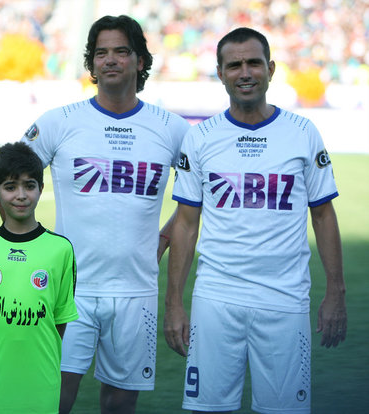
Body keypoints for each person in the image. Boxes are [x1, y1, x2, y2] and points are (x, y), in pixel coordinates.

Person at [163, 27, 347, 414]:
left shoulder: (302, 132)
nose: (244, 72)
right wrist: (175, 304)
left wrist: (336, 293)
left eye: (253, 63)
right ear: (220, 73)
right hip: (216, 298)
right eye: (234, 65)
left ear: (271, 69)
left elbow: (323, 214)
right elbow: (185, 224)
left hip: (285, 299)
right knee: (207, 408)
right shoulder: (201, 138)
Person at [21, 15, 190, 414]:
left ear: (140, 62)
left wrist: (164, 238)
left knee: (119, 402)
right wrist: (30, 249)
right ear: (91, 64)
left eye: (121, 51)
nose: (110, 60)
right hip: (69, 289)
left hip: (137, 291)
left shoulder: (173, 129)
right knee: (53, 397)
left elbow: (198, 204)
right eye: (101, 53)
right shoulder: (59, 122)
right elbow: (11, 179)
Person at [0, 142, 78, 414]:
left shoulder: (60, 249)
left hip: (42, 378)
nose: (21, 195)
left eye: (29, 185)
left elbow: (59, 320)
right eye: (10, 187)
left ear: (41, 189)